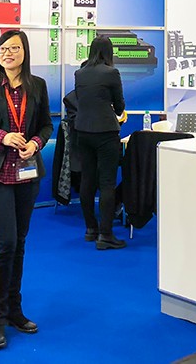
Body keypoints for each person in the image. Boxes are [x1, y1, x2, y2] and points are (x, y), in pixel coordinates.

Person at [0, 30, 53, 350]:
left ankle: (15, 310)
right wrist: (2, 137)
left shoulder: (37, 86)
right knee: (5, 244)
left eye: (14, 48)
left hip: (27, 176)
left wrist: (36, 142)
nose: (7, 53)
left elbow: (47, 125)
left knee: (19, 244)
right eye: (3, 48)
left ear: (24, 52)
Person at [74, 35, 127, 250]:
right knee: (107, 183)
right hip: (105, 132)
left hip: (82, 131)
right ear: (109, 52)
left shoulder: (80, 73)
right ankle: (105, 234)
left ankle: (90, 229)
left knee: (87, 180)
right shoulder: (111, 73)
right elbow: (120, 106)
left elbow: (80, 100)